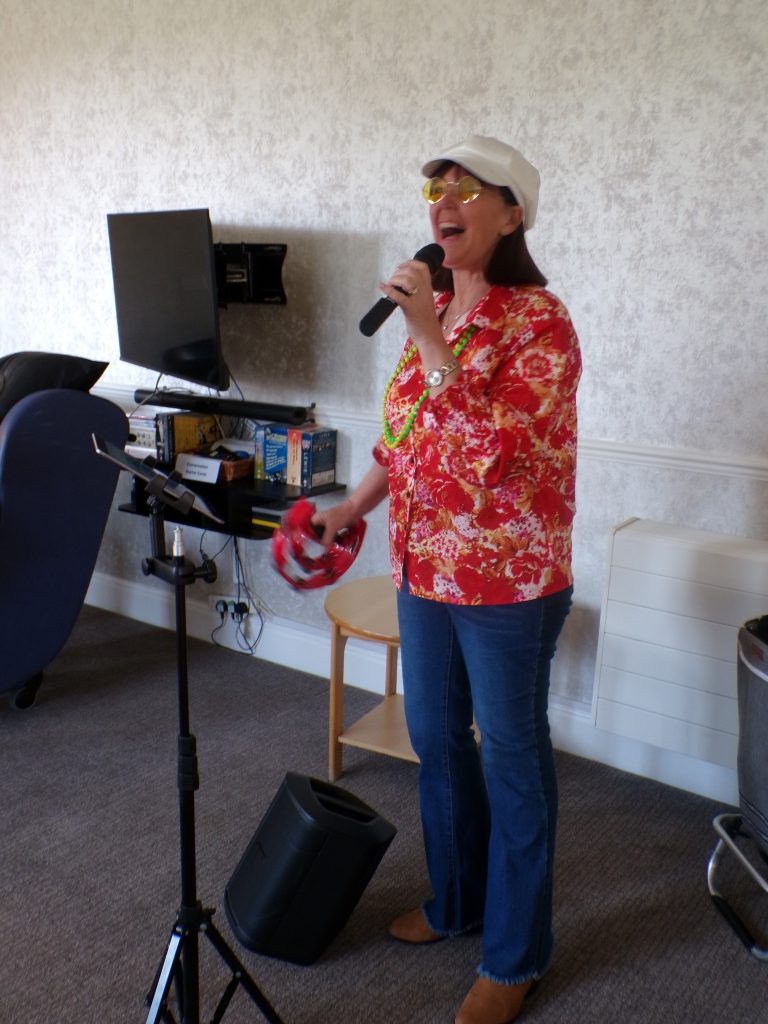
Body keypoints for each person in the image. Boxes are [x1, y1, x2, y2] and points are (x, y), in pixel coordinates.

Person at [314, 134, 581, 1024]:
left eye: (467, 187)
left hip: (510, 586)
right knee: (435, 738)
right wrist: (353, 506)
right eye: (434, 186)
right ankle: (458, 900)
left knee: (512, 760)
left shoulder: (539, 324)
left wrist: (431, 335)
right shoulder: (434, 312)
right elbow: (407, 437)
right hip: (425, 571)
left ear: (512, 214)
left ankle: (515, 956)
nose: (443, 199)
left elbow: (490, 457)